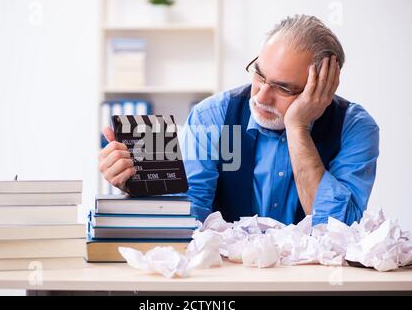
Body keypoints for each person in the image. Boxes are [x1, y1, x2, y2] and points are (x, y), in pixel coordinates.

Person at [99, 14, 379, 226]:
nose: (262, 96)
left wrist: (298, 128)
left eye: (283, 88)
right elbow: (190, 214)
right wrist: (138, 187)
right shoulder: (212, 116)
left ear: (322, 90)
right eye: (259, 74)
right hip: (228, 279)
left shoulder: (354, 129)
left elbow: (337, 228)